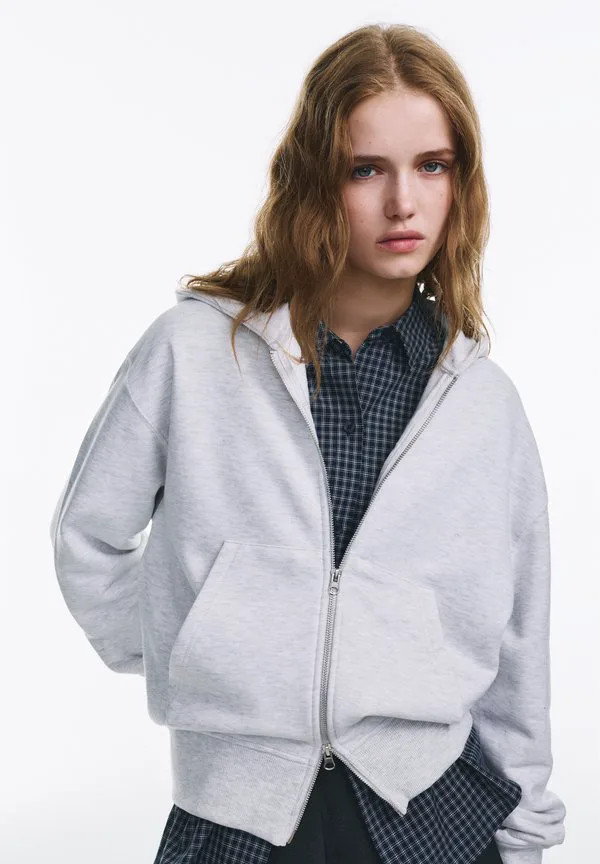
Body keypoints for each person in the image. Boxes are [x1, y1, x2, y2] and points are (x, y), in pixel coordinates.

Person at [49, 22, 566, 864]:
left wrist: (528, 833)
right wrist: (200, 652)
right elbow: (88, 538)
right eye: (367, 169)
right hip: (237, 819)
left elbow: (518, 642)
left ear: (461, 183)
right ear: (314, 180)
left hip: (433, 814)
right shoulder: (192, 353)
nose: (403, 203)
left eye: (432, 166)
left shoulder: (485, 405)